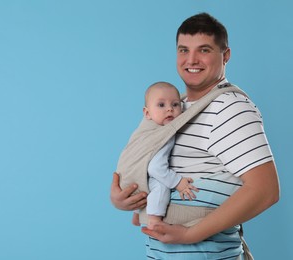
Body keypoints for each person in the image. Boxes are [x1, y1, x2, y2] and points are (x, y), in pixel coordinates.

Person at [110, 12, 280, 259]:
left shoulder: (229, 107)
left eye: (204, 50)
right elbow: (142, 159)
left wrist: (192, 235)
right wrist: (122, 198)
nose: (191, 60)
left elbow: (265, 190)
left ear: (226, 56)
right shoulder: (171, 106)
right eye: (183, 50)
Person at [129, 82, 198, 229]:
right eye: (161, 105)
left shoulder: (144, 130)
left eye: (175, 104)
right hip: (144, 177)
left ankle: (137, 215)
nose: (169, 109)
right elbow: (156, 168)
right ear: (147, 113)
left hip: (133, 179)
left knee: (148, 187)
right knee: (161, 186)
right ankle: (154, 219)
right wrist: (178, 182)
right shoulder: (163, 134)